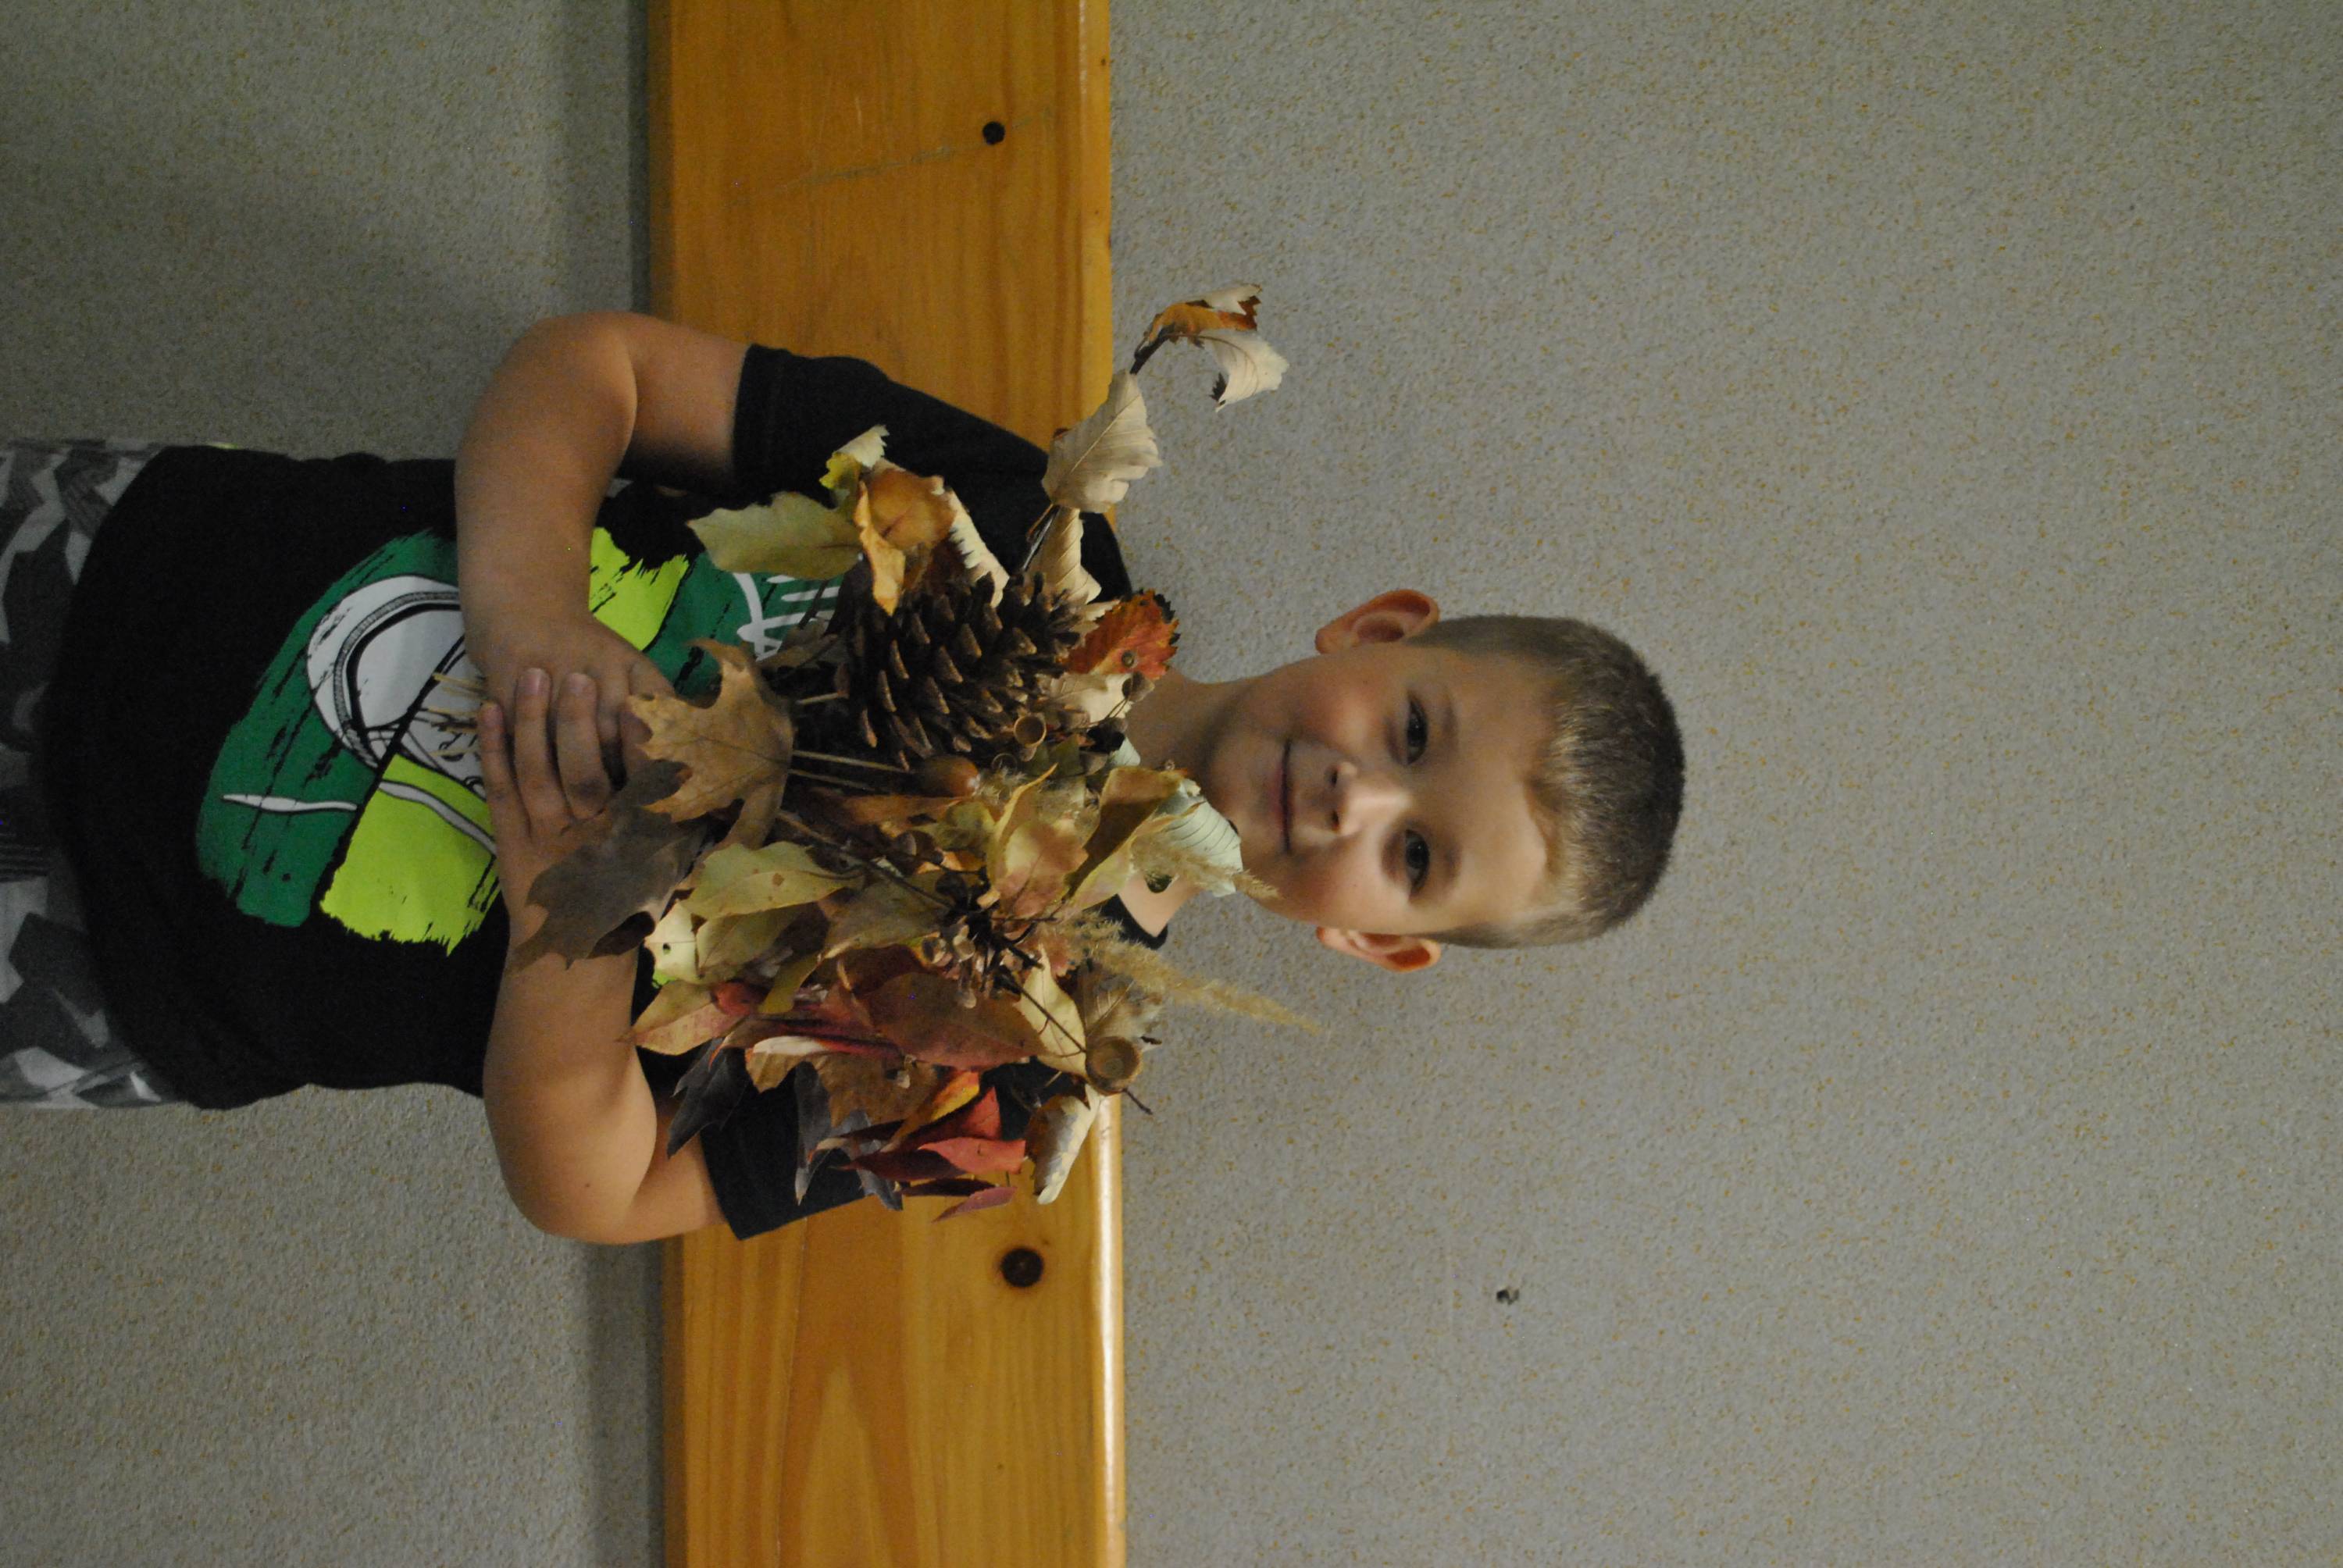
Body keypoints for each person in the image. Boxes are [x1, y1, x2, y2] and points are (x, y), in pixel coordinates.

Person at [0, 311, 1683, 1243]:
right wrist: (526, 612)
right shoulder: (1019, 519)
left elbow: (597, 1186)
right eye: (1413, 733)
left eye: (1414, 855)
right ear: (1381, 630)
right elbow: (595, 372)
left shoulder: (1011, 1057)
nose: (1356, 799)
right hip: (128, 570)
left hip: (127, 978)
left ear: (1376, 940)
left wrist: (567, 913)